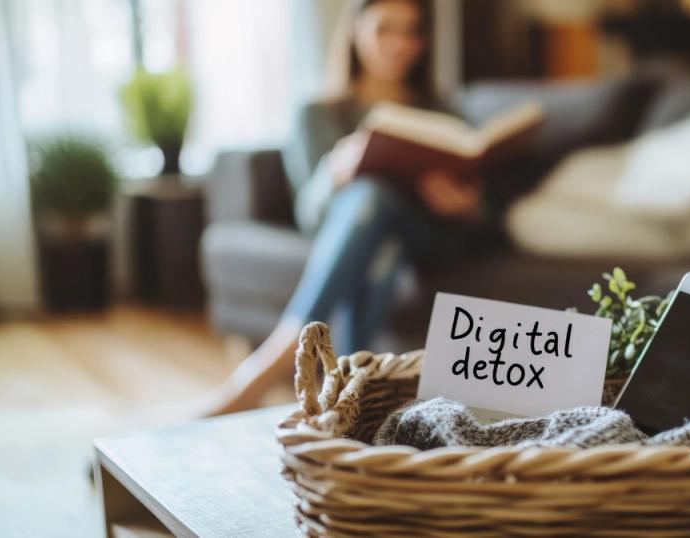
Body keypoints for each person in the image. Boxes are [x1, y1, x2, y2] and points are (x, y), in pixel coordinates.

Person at [205, 0, 487, 415]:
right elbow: (310, 213)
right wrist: (333, 173)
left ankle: (266, 369)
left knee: (374, 199)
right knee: (378, 242)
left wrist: (467, 205)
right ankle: (352, 401)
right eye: (386, 29)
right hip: (370, 236)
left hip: (428, 238)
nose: (400, 44)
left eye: (412, 32)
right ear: (355, 31)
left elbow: (485, 212)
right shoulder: (318, 113)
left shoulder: (442, 110)